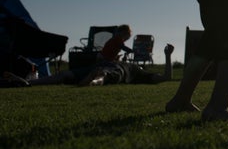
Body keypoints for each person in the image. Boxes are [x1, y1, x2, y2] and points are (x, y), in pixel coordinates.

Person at [2, 44, 175, 86]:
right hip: (104, 67)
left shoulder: (140, 73)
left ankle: (91, 81)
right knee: (65, 75)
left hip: (114, 70)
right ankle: (26, 83)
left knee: (104, 73)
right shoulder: (131, 67)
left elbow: (166, 77)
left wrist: (168, 56)